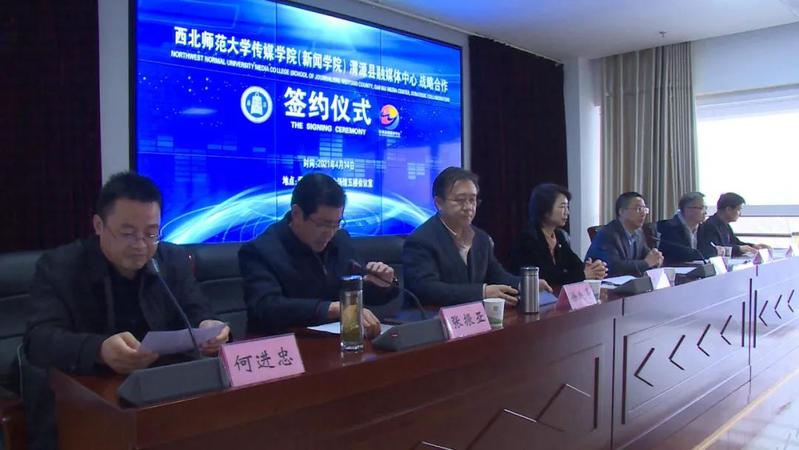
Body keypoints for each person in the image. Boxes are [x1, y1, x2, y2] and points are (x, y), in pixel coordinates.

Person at [23, 172, 229, 450]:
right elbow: (38, 340)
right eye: (128, 233)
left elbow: (197, 311)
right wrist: (99, 350)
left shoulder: (172, 260)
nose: (141, 245)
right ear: (99, 225)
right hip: (85, 397)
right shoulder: (60, 267)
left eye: (151, 233)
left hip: (158, 394)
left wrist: (209, 327)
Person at [239, 173, 398, 338]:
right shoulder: (260, 250)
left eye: (336, 223)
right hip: (283, 345)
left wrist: (383, 284)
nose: (330, 233)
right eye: (323, 224)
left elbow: (357, 292)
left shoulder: (340, 240)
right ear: (297, 213)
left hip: (334, 341)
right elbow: (267, 307)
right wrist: (331, 309)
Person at [403, 167, 551, 307]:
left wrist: (525, 284)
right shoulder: (421, 240)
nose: (468, 207)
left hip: (472, 317)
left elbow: (496, 274)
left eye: (472, 200)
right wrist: (482, 292)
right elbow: (426, 289)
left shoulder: (481, 238)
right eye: (460, 200)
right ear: (439, 203)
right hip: (432, 318)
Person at [511, 183, 607, 285]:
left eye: (567, 207)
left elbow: (575, 264)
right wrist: (583, 274)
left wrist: (592, 268)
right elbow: (547, 277)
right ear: (545, 210)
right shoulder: (528, 238)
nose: (567, 212)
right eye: (562, 207)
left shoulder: (559, 235)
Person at [585, 192, 664, 277]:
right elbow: (614, 267)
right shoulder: (607, 234)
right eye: (638, 209)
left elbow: (646, 256)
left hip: (629, 282)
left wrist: (656, 259)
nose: (643, 213)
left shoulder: (638, 232)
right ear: (621, 212)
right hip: (605, 282)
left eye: (644, 209)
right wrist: (646, 263)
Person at [699, 192, 770, 257]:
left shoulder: (725, 224)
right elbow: (715, 249)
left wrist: (753, 246)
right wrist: (739, 249)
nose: (740, 214)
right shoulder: (710, 226)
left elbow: (735, 242)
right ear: (728, 209)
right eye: (738, 210)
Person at [657, 192, 719, 264]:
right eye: (702, 208)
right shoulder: (668, 227)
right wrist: (715, 251)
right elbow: (682, 255)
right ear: (688, 210)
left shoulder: (705, 227)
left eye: (705, 208)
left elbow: (708, 248)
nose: (705, 212)